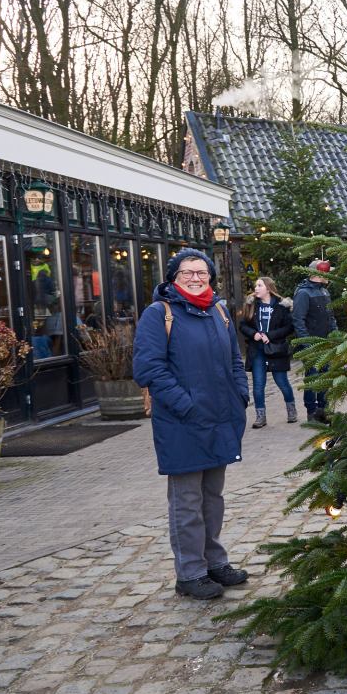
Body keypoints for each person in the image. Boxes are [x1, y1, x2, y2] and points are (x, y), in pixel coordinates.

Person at [133, 248, 249, 600]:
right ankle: (190, 572)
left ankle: (214, 562)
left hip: (220, 419)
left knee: (212, 498)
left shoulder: (218, 310)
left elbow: (233, 359)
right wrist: (186, 404)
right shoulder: (159, 314)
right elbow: (148, 369)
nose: (196, 278)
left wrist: (240, 394)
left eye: (202, 273)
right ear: (173, 277)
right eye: (188, 273)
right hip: (182, 424)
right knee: (186, 501)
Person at [239, 277, 297, 428]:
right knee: (258, 385)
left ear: (268, 288)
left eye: (259, 285)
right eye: (255, 285)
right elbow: (243, 325)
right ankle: (260, 417)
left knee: (282, 382)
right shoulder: (251, 305)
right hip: (257, 350)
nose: (256, 288)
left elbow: (289, 328)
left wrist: (270, 336)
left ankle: (291, 411)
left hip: (276, 349)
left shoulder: (281, 306)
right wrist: (254, 334)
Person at [293, 259, 338, 423]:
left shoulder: (325, 292)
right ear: (318, 273)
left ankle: (323, 410)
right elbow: (298, 320)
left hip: (327, 343)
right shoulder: (303, 293)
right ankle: (312, 411)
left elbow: (331, 316)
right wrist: (307, 344)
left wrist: (336, 335)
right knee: (312, 377)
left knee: (325, 376)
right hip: (312, 345)